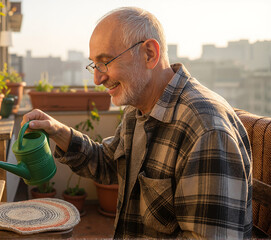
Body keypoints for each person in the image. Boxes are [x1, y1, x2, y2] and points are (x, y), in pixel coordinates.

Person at [22, 7, 252, 239]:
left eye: (105, 61)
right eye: (94, 64)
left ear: (149, 54)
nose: (97, 78)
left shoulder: (206, 130)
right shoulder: (138, 108)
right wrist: (56, 130)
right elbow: (109, 164)